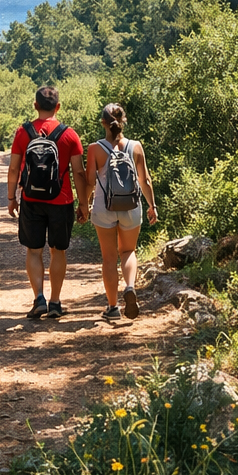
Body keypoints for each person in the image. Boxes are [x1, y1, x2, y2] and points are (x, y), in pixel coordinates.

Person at [7, 85, 87, 319]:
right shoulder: (69, 135)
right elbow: (79, 172)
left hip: (31, 199)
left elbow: (13, 169)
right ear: (58, 107)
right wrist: (83, 203)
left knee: (34, 251)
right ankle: (55, 302)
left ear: (35, 105)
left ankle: (39, 299)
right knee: (58, 251)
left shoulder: (23, 133)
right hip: (61, 200)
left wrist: (12, 198)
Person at [83, 103, 157, 320]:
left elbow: (89, 182)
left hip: (104, 207)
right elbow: (145, 180)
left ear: (103, 123)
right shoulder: (136, 146)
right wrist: (152, 206)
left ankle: (113, 307)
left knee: (109, 258)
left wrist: (83, 205)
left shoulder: (94, 148)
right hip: (131, 206)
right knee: (128, 251)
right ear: (123, 121)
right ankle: (130, 286)